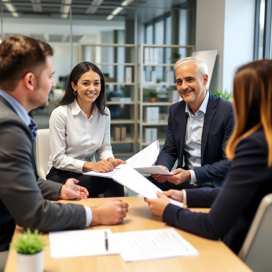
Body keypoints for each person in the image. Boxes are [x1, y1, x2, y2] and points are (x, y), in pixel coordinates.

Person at [0, 35, 129, 252]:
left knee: (114, 180)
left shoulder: (11, 117)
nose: (53, 83)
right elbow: (35, 214)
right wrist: (95, 214)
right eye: (50, 76)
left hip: (20, 215)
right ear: (31, 81)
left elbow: (29, 181)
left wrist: (60, 191)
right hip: (6, 239)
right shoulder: (9, 126)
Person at [145, 59, 272, 254]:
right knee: (150, 186)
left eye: (238, 93)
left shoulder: (254, 144)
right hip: (255, 238)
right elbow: (169, 149)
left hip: (239, 244)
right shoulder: (265, 140)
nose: (234, 100)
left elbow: (213, 225)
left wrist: (168, 210)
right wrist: (183, 194)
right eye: (179, 81)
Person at [149, 57, 234, 190]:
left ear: (205, 79)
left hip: (212, 182)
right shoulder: (175, 110)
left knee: (188, 197)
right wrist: (162, 167)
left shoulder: (227, 110)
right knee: (147, 184)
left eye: (189, 79)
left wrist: (191, 174)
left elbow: (229, 162)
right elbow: (170, 149)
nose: (183, 87)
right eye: (179, 82)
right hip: (184, 179)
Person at [46, 62, 125, 197]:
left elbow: (104, 148)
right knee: (112, 183)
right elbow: (58, 159)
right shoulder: (60, 114)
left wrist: (110, 160)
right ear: (74, 86)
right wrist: (90, 165)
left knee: (116, 178)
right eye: (86, 83)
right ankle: (113, 215)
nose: (92, 88)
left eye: (96, 83)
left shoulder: (104, 113)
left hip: (87, 172)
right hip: (60, 174)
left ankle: (112, 214)